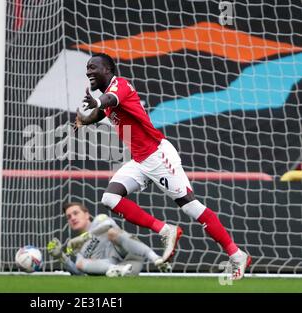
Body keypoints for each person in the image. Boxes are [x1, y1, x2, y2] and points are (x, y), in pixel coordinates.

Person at [75, 53, 251, 280]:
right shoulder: (109, 95)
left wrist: (98, 102)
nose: (88, 71)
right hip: (139, 161)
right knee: (110, 198)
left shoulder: (120, 86)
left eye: (93, 67)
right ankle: (165, 229)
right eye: (87, 68)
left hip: (158, 156)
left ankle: (236, 254)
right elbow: (103, 110)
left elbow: (108, 101)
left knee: (190, 207)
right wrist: (85, 119)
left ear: (107, 69)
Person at [47, 202, 171, 277]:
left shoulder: (99, 220)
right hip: (121, 270)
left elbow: (108, 225)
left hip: (133, 257)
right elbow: (80, 273)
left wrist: (84, 237)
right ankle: (116, 270)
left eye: (75, 213)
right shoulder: (77, 246)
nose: (72, 218)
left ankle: (156, 259)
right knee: (80, 262)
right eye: (69, 217)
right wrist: (60, 257)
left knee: (112, 232)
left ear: (86, 214)